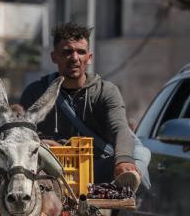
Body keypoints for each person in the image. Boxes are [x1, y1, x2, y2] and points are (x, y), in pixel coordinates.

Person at [19, 22, 145, 192]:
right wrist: (43, 143)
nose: (74, 58)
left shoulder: (106, 91)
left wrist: (123, 160)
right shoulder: (36, 91)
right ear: (54, 57)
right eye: (67, 52)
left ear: (89, 57)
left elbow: (120, 128)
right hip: (45, 172)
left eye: (81, 52)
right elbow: (19, 133)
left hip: (94, 171)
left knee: (137, 158)